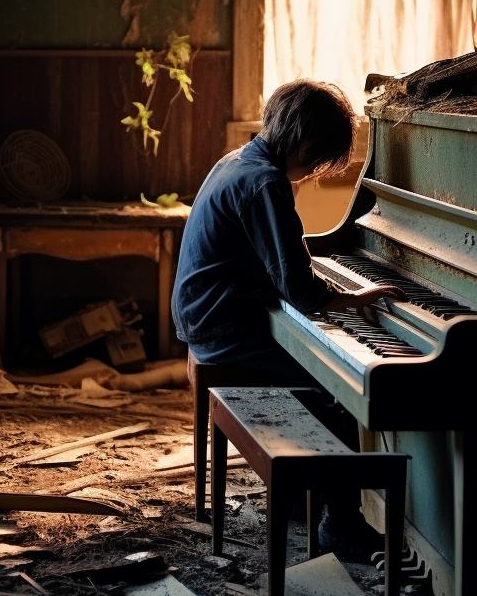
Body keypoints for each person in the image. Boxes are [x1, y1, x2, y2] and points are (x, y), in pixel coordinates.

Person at [172, 78, 401, 556]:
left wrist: (334, 293)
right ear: (309, 143)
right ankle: (339, 524)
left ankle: (308, 494)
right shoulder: (265, 184)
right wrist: (354, 299)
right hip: (222, 325)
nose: (315, 170)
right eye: (320, 160)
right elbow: (298, 290)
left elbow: (281, 266)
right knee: (340, 390)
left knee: (330, 369)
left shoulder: (239, 159)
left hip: (205, 312)